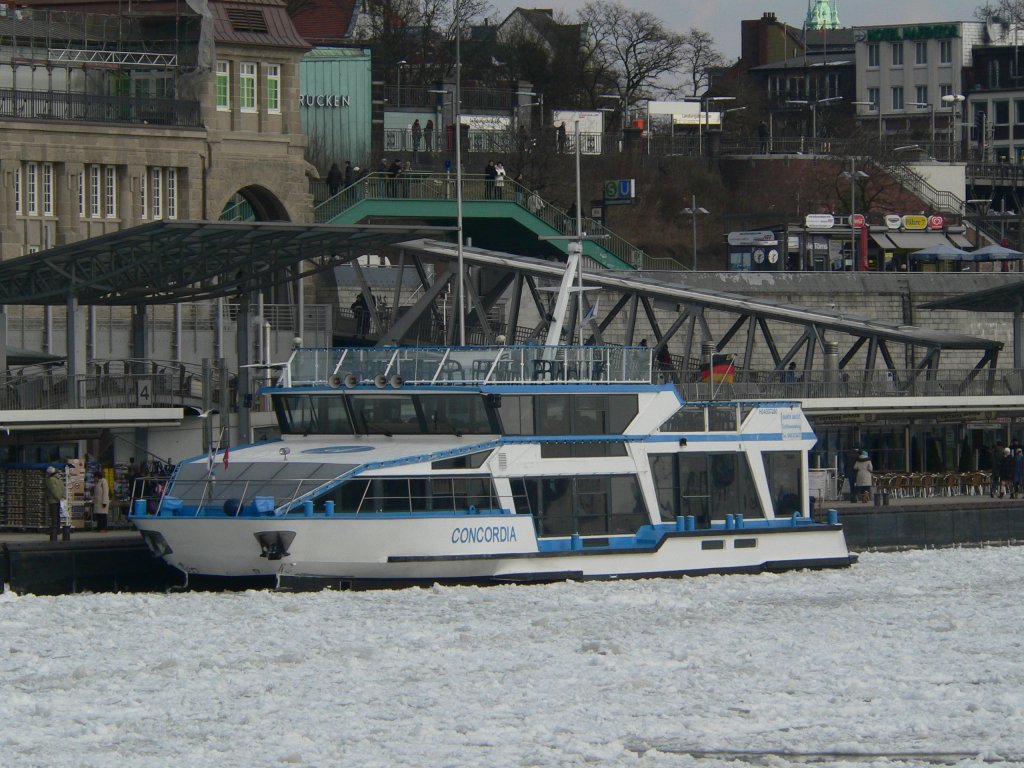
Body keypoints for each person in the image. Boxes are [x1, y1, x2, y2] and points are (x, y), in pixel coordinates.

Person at [43, 465, 66, 542]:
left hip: (53, 500)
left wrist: (57, 497)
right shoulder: (59, 479)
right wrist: (61, 497)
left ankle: (54, 531)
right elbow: (63, 488)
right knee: (57, 515)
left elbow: (53, 490)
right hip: (59, 500)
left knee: (53, 516)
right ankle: (58, 529)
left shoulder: (50, 480)